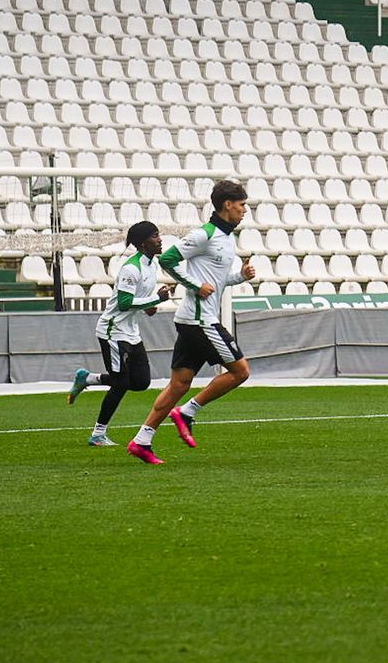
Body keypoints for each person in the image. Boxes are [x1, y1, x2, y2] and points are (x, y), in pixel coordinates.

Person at [126, 180, 257, 465]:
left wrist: (240, 277)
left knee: (179, 384)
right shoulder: (204, 234)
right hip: (200, 321)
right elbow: (168, 260)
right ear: (227, 205)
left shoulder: (227, 239)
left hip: (191, 320)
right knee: (240, 372)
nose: (245, 210)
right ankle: (188, 412)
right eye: (242, 204)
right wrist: (195, 285)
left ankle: (141, 440)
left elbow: (217, 282)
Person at [68, 221, 173, 446]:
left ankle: (88, 379)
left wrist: (150, 307)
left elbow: (138, 299)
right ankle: (97, 434)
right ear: (144, 243)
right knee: (121, 382)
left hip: (131, 332)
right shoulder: (131, 268)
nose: (160, 239)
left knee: (141, 381)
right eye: (155, 236)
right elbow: (124, 304)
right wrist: (157, 299)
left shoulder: (151, 266)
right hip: (113, 331)